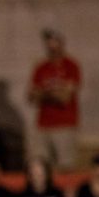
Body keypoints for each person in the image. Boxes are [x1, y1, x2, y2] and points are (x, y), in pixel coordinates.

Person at [27, 28, 81, 169]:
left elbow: (65, 98)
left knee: (65, 166)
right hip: (43, 124)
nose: (51, 45)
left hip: (64, 125)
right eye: (48, 41)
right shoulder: (41, 68)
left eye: (54, 41)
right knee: (40, 164)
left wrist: (44, 93)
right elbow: (31, 96)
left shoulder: (71, 66)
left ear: (61, 43)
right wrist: (54, 93)